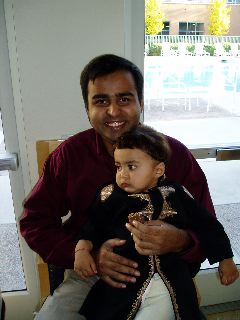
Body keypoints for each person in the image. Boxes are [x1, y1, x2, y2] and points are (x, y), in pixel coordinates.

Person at [20, 54, 216, 320]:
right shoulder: (69, 156)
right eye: (101, 101)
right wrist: (85, 255)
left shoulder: (174, 155)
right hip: (90, 274)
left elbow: (207, 224)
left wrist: (181, 241)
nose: (113, 112)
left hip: (163, 273)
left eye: (124, 98)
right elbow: (35, 222)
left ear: (141, 102)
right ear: (87, 108)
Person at [74, 125, 239, 320]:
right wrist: (82, 250)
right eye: (118, 166)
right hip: (124, 282)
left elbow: (207, 224)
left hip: (169, 279)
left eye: (131, 167)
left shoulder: (175, 193)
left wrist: (225, 258)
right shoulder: (109, 195)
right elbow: (91, 225)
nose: (123, 174)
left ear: (158, 170)